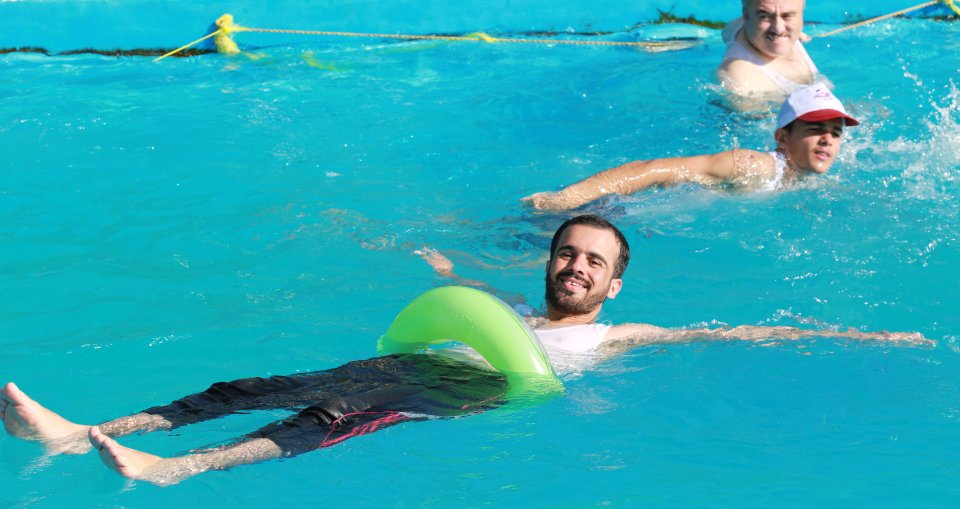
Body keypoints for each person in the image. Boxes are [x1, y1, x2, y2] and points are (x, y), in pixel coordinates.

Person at [2, 215, 930, 486]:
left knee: (323, 417)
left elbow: (732, 332)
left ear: (614, 283)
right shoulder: (512, 303)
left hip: (474, 392)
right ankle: (78, 431)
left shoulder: (620, 333)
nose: (576, 266)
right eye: (568, 253)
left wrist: (850, 334)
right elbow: (461, 287)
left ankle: (172, 471)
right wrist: (432, 260)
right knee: (250, 382)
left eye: (594, 261)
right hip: (424, 361)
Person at [522, 84, 857, 211]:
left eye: (835, 133)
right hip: (613, 209)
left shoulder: (806, 179)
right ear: (782, 137)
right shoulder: (752, 165)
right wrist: (566, 198)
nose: (828, 139)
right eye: (816, 129)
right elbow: (655, 169)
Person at [717, 0, 827, 109]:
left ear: (801, 16)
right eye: (765, 16)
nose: (778, 30)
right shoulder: (740, 80)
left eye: (787, 16)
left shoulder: (742, 25)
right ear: (746, 17)